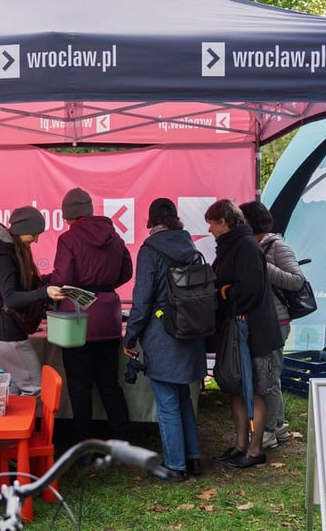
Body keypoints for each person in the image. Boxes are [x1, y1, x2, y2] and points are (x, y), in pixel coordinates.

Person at [122, 198, 206, 482]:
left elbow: (142, 300)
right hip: (191, 331)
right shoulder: (190, 247)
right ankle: (193, 460)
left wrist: (130, 335)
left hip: (162, 333)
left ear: (151, 221)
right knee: (184, 398)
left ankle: (175, 466)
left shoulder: (150, 250)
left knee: (167, 403)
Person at [49, 188, 133, 445]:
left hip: (77, 320)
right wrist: (104, 288)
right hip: (108, 317)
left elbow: (62, 280)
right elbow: (126, 271)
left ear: (70, 216)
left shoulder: (68, 239)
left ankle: (82, 441)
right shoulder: (114, 236)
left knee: (80, 385)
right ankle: (122, 436)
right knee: (110, 383)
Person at [206, 199, 280, 469]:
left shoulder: (246, 246)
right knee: (236, 388)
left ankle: (256, 448)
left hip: (255, 334)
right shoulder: (230, 247)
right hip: (236, 331)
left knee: (256, 389)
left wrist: (226, 294)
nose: (210, 230)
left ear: (223, 222)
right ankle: (240, 445)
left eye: (212, 224)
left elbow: (249, 288)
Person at [0, 206, 65, 395]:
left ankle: (14, 424)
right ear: (21, 231)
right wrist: (44, 292)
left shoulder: (6, 250)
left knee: (14, 389)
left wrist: (49, 281)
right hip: (7, 335)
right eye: (33, 235)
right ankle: (34, 425)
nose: (36, 240)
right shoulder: (4, 257)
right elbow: (12, 298)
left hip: (0, 332)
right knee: (36, 389)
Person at [239, 200, 303, 450]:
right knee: (265, 375)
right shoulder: (250, 245)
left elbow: (297, 281)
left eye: (240, 220)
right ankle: (277, 425)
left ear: (249, 221)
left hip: (277, 320)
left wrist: (262, 266)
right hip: (259, 320)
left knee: (269, 376)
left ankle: (270, 430)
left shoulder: (276, 246)